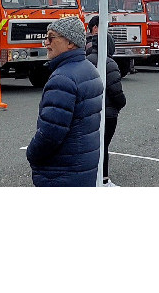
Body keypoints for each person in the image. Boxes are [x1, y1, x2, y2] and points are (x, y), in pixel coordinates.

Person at [26, 16, 102, 186]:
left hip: (61, 172)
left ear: (70, 42)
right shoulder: (89, 69)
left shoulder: (63, 79)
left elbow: (50, 133)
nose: (46, 42)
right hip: (82, 167)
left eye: (51, 37)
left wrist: (31, 153)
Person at [86, 16, 125, 185]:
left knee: (92, 146)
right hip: (107, 114)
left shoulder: (86, 61)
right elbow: (117, 93)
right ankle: (103, 180)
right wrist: (121, 103)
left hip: (89, 112)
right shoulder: (109, 63)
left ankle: (92, 177)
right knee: (103, 147)